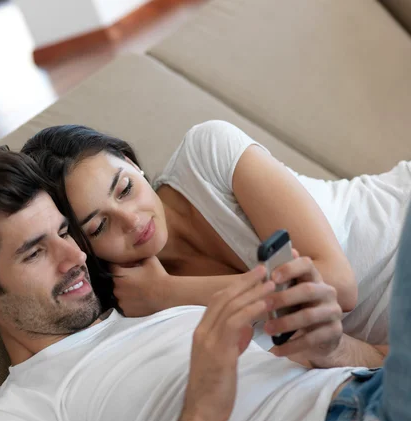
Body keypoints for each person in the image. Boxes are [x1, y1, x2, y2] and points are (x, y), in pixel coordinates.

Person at [0, 147, 410, 421]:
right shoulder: (14, 419)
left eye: (67, 233)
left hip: (375, 394)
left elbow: (380, 361)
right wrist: (202, 410)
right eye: (36, 252)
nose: (75, 258)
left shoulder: (167, 308)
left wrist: (334, 351)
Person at [21, 120, 410, 349]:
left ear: (131, 164)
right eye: (99, 226)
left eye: (124, 188)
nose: (132, 220)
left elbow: (338, 287)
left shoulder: (208, 153)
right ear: (82, 246)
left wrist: (168, 293)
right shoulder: (135, 310)